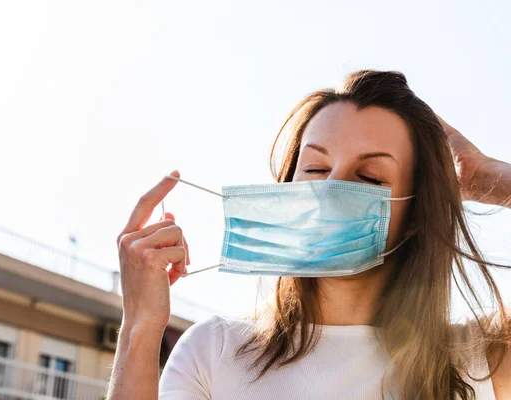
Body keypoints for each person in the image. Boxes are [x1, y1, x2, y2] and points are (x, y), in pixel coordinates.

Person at [107, 70, 511, 399]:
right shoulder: (214, 351)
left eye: (368, 178)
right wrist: (139, 327)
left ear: (416, 215)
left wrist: (488, 179)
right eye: (316, 169)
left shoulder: (478, 359)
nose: (328, 191)